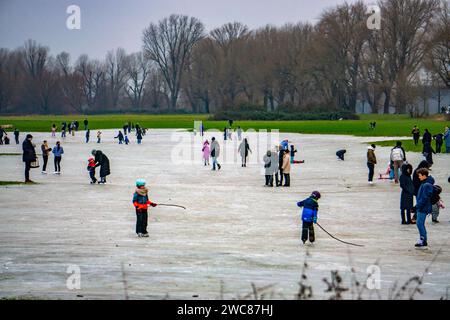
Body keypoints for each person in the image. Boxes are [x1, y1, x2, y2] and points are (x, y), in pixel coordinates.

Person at [414, 168, 435, 249]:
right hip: (422, 207)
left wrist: (416, 206)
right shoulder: (425, 183)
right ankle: (422, 239)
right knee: (420, 223)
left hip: (423, 208)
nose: (419, 177)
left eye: (419, 176)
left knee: (420, 223)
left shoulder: (426, 185)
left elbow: (424, 198)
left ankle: (423, 241)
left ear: (424, 175)